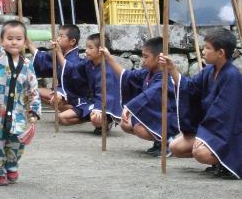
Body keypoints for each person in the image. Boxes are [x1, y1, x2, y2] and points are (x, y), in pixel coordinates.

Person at [160, 28, 242, 179]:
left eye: (207, 48)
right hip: (212, 131)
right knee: (175, 147)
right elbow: (189, 88)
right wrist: (171, 69)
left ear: (221, 53)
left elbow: (223, 114)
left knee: (200, 153)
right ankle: (217, 160)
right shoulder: (209, 70)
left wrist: (204, 135)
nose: (203, 51)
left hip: (231, 135)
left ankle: (226, 162)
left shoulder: (232, 76)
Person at [0, 9, 41, 186]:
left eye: (18, 39)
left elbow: (33, 90)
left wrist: (34, 110)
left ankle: (12, 165)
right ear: (2, 40)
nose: (14, 42)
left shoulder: (28, 65)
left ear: (24, 42)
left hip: (18, 113)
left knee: (16, 142)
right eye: (9, 38)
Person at [101, 37, 178, 155]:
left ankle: (167, 141)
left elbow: (149, 94)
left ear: (159, 58)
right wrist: (108, 57)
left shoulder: (165, 77)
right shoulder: (147, 72)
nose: (143, 61)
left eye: (146, 57)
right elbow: (125, 75)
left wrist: (129, 107)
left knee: (138, 128)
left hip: (168, 120)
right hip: (154, 116)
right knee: (125, 124)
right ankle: (158, 141)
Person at [59, 33, 121, 132]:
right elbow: (71, 69)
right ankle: (89, 115)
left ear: (101, 50)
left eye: (90, 48)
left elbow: (108, 96)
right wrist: (58, 52)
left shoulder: (107, 70)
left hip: (106, 103)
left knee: (95, 119)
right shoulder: (88, 62)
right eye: (86, 47)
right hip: (91, 100)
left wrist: (98, 108)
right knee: (62, 118)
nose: (86, 51)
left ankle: (106, 121)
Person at [26, 24, 86, 112]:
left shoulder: (75, 60)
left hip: (74, 96)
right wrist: (28, 43)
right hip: (61, 92)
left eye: (61, 36)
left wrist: (59, 93)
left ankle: (75, 109)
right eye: (58, 35)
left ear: (72, 42)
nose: (58, 39)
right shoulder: (60, 53)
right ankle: (63, 106)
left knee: (34, 91)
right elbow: (43, 58)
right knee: (31, 90)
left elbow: (72, 85)